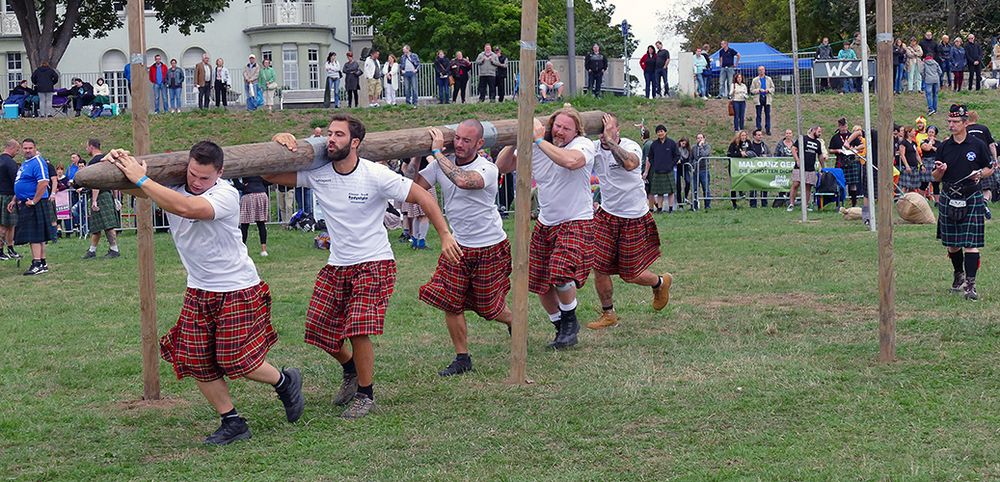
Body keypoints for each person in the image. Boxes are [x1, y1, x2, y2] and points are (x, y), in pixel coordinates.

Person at [106, 141, 304, 444]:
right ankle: (233, 421)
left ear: (220, 173)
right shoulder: (174, 187)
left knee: (237, 360)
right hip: (199, 288)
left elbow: (185, 208)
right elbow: (142, 190)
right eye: (192, 174)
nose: (196, 182)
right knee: (195, 358)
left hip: (237, 287)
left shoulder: (225, 194)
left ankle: (284, 381)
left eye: (204, 178)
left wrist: (142, 179)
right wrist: (118, 163)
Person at [266, 114, 461, 418]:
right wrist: (278, 142)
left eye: (339, 135)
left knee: (357, 327)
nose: (331, 139)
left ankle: (365, 395)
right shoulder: (319, 173)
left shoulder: (375, 175)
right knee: (319, 331)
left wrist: (445, 235)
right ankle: (350, 368)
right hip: (338, 264)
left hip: (375, 261)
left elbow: (422, 195)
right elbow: (269, 176)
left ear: (354, 142)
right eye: (329, 133)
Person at [413, 121, 512, 375]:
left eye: (466, 140)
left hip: (489, 245)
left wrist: (436, 153)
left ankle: (514, 320)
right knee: (451, 301)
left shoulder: (486, 168)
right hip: (458, 246)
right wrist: (416, 155)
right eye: (456, 138)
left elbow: (465, 181)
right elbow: (416, 187)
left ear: (480, 144)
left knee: (488, 308)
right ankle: (462, 358)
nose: (459, 144)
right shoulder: (439, 165)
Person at [496, 107, 597, 350]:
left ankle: (571, 321)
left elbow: (571, 162)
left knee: (561, 272)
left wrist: (539, 139)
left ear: (576, 131)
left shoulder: (583, 144)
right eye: (557, 126)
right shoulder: (538, 144)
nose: (560, 132)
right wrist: (516, 140)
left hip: (576, 219)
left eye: (566, 128)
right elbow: (502, 166)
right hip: (546, 221)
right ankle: (560, 326)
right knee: (539, 281)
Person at [587, 113, 672, 330]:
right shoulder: (594, 148)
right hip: (607, 216)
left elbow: (630, 164)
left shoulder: (630, 145)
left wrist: (611, 142)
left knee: (630, 274)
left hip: (634, 217)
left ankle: (660, 282)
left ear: (618, 130)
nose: (605, 133)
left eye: (610, 128)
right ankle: (609, 314)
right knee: (600, 267)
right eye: (602, 130)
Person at [933, 104, 993, 300]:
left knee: (971, 243)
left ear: (965, 123)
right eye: (949, 121)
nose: (951, 125)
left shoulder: (977, 145)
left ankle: (970, 285)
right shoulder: (944, 146)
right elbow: (935, 177)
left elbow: (989, 168)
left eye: (955, 122)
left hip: (971, 196)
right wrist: (939, 171)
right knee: (952, 244)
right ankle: (958, 275)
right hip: (949, 196)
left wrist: (981, 174)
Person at [8, 139, 51, 275]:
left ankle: (37, 263)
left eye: (30, 148)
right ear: (21, 149)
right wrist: (14, 199)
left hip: (34, 203)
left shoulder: (38, 162)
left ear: (35, 148)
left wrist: (34, 200)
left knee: (35, 236)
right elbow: (21, 182)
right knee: (37, 235)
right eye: (25, 148)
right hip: (25, 201)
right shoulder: (26, 164)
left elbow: (44, 182)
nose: (27, 150)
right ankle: (42, 263)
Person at [81, 139, 121, 259]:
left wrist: (94, 200)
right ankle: (92, 251)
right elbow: (112, 179)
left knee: (108, 225)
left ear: (92, 147)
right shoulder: (107, 159)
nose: (86, 149)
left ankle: (114, 249)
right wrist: (115, 197)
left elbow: (96, 182)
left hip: (100, 195)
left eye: (87, 147)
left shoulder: (95, 161)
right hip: (107, 193)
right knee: (97, 226)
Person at [966, 111, 998, 219]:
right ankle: (984, 202)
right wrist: (995, 159)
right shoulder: (984, 128)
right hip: (984, 160)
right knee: (987, 187)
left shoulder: (964, 130)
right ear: (976, 117)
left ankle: (973, 206)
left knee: (970, 184)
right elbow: (992, 145)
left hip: (969, 160)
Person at [788, 126, 824, 212]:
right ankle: (791, 204)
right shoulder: (803, 139)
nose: (820, 134)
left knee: (808, 187)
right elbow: (793, 148)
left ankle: (806, 205)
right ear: (813, 130)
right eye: (819, 131)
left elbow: (820, 155)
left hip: (810, 168)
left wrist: (823, 167)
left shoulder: (818, 143)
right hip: (799, 167)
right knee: (796, 184)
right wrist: (797, 159)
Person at [643, 125, 678, 213]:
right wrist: (655, 165)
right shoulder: (654, 144)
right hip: (658, 170)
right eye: (658, 132)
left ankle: (670, 209)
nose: (660, 133)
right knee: (659, 192)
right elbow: (650, 157)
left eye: (661, 131)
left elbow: (677, 155)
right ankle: (659, 208)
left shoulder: (671, 143)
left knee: (671, 191)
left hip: (668, 170)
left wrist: (671, 165)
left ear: (665, 132)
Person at [830, 117, 863, 206]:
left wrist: (854, 149)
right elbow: (830, 150)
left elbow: (862, 146)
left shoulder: (852, 136)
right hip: (840, 161)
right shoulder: (835, 137)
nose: (844, 128)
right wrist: (837, 151)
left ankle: (854, 204)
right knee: (839, 183)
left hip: (851, 161)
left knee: (853, 184)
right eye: (842, 126)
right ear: (839, 126)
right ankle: (839, 204)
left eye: (845, 126)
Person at [233, 176, 270, 257]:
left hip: (249, 195)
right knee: (261, 224)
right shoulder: (260, 170)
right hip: (262, 194)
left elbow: (238, 185)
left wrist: (244, 186)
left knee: (244, 224)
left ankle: (242, 250)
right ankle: (264, 250)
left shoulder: (244, 170)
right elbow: (269, 181)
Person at [0, 140, 19, 261]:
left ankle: (9, 249)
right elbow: (17, 183)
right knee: (6, 225)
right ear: (11, 148)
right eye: (17, 150)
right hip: (8, 196)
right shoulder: (11, 163)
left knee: (6, 225)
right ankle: (3, 250)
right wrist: (15, 198)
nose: (17, 153)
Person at [727, 130, 752, 209]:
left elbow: (753, 152)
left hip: (745, 167)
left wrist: (747, 154)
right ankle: (734, 202)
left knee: (744, 180)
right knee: (734, 184)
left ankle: (742, 193)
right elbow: (729, 154)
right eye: (742, 135)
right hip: (734, 167)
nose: (744, 137)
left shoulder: (748, 143)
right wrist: (739, 154)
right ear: (739, 136)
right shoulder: (734, 144)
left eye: (745, 135)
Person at [921, 126, 943, 202]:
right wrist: (930, 142)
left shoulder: (939, 143)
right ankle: (921, 199)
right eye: (929, 132)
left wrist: (932, 147)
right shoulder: (923, 141)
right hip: (926, 162)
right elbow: (926, 148)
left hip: (935, 162)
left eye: (932, 132)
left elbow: (939, 151)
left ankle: (937, 201)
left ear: (935, 133)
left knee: (936, 183)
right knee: (924, 182)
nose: (930, 134)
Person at [750, 66, 773, 135]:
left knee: (767, 114)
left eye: (762, 70)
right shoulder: (755, 80)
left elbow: (773, 88)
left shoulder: (769, 79)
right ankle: (758, 128)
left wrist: (768, 90)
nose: (761, 71)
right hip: (759, 98)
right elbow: (751, 90)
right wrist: (758, 90)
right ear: (758, 71)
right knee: (758, 114)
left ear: (765, 70)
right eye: (760, 70)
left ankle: (768, 129)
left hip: (767, 98)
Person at [898, 127, 922, 193]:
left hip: (914, 167)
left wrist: (921, 164)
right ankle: (901, 200)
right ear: (908, 133)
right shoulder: (903, 142)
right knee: (905, 186)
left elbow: (917, 155)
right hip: (907, 167)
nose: (915, 133)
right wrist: (907, 166)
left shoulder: (914, 143)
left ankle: (910, 201)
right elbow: (902, 155)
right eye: (913, 131)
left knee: (913, 187)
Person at [692, 133, 712, 209]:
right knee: (695, 189)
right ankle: (695, 206)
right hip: (695, 171)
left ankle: (707, 205)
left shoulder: (707, 147)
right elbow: (691, 157)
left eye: (701, 138)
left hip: (704, 170)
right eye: (698, 138)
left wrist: (701, 147)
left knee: (706, 188)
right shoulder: (693, 147)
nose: (699, 139)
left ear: (704, 139)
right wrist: (692, 166)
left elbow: (704, 155)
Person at [676, 137, 693, 210]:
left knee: (688, 181)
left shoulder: (688, 150)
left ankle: (685, 197)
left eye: (685, 142)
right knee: (678, 186)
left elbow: (689, 159)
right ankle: (680, 205)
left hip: (685, 167)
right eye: (682, 141)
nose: (683, 143)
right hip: (677, 168)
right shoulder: (676, 149)